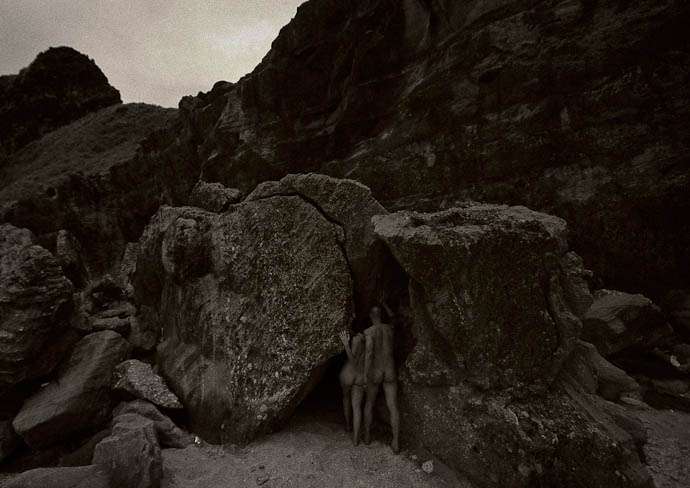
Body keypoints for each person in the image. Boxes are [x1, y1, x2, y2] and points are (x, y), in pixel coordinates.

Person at [363, 303, 400, 453]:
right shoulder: (389, 329)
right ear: (381, 315)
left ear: (371, 316)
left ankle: (367, 436)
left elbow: (369, 354)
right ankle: (396, 442)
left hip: (376, 371)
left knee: (369, 403)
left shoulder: (369, 332)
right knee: (393, 406)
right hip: (390, 370)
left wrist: (365, 375)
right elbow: (393, 318)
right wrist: (386, 305)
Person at [339, 329, 365, 445]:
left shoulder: (356, 339)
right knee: (357, 407)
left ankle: (348, 425)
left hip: (349, 373)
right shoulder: (369, 339)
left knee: (346, 397)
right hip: (361, 376)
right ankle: (355, 439)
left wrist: (346, 344)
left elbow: (353, 361)